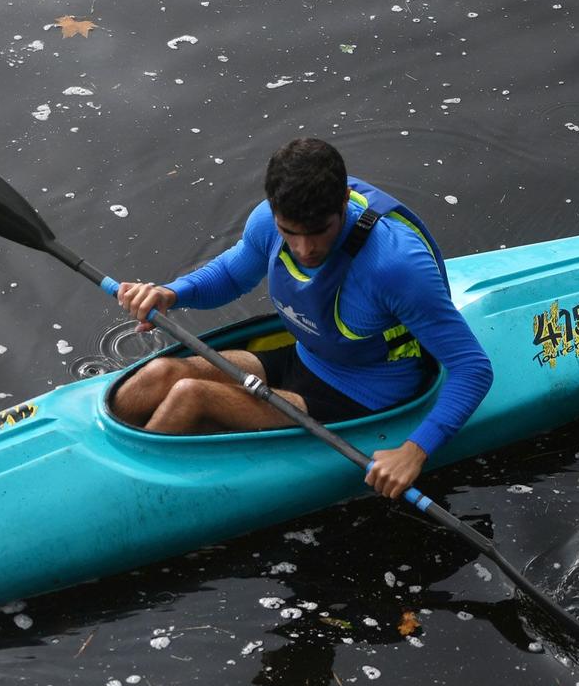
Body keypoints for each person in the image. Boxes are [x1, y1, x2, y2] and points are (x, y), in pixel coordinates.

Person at [111, 138, 493, 500]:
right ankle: (113, 466)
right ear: (274, 211)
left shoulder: (396, 267)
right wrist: (172, 293)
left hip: (365, 394)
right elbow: (231, 275)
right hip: (307, 357)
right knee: (160, 374)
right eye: (289, 232)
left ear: (344, 201)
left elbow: (472, 369)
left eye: (319, 232)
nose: (304, 249)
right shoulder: (267, 221)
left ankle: (123, 502)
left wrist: (415, 451)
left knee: (190, 397)